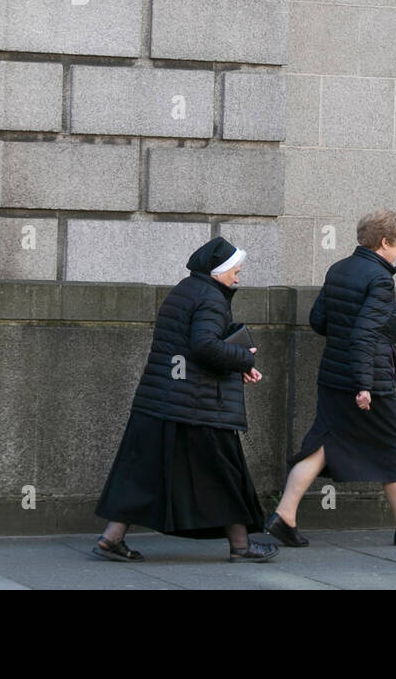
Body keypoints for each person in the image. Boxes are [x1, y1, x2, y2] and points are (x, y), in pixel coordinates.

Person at [266, 209, 396, 547]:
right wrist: (364, 385)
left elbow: (319, 321)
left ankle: (284, 515)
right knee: (392, 445)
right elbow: (365, 334)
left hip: (333, 373)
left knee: (323, 443)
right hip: (368, 377)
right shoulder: (379, 279)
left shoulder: (339, 269)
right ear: (383, 243)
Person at [92, 237, 278, 562]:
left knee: (143, 473)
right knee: (226, 474)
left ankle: (112, 538)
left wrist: (236, 361)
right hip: (197, 405)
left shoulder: (185, 289)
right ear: (218, 271)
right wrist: (243, 359)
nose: (238, 277)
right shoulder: (211, 298)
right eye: (235, 271)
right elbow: (203, 345)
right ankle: (241, 546)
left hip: (161, 400)